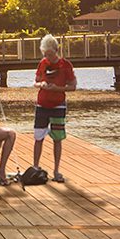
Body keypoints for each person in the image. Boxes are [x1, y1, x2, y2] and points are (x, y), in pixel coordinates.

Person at [31, 34, 77, 182]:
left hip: (58, 105)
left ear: (56, 51)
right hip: (42, 104)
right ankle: (35, 168)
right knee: (38, 137)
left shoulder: (65, 65)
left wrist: (57, 88)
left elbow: (72, 86)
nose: (48, 57)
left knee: (57, 138)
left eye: (50, 54)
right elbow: (36, 82)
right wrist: (41, 85)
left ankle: (56, 170)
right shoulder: (42, 63)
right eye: (45, 54)